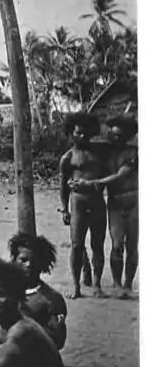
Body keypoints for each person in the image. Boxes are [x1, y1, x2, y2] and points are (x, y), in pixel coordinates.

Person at [71, 115, 138, 299]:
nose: (115, 138)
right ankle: (116, 284)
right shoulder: (104, 152)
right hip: (114, 201)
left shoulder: (133, 153)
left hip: (134, 201)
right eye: (113, 134)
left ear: (127, 137)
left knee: (132, 246)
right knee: (116, 245)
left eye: (120, 136)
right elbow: (82, 152)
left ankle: (127, 284)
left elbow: (122, 174)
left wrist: (93, 183)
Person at [59, 112, 109, 299]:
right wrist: (64, 209)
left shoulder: (100, 154)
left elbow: (108, 177)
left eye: (86, 133)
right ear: (71, 133)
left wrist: (96, 184)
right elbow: (63, 185)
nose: (82, 137)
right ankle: (76, 285)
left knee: (98, 244)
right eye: (78, 133)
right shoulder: (68, 158)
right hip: (78, 202)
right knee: (76, 245)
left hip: (97, 202)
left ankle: (96, 284)